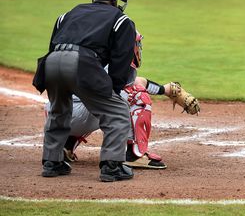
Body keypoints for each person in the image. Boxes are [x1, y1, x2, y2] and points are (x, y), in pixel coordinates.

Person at [33, 0, 136, 182]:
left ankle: (52, 162)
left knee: (58, 109)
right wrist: (112, 90)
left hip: (51, 62)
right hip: (82, 62)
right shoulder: (121, 20)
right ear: (115, 1)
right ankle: (112, 166)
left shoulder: (67, 15)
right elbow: (121, 59)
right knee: (117, 111)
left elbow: (54, 45)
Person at [52, 32, 200, 170]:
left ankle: (67, 144)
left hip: (60, 115)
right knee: (135, 96)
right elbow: (135, 85)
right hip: (81, 115)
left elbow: (135, 80)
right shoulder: (120, 63)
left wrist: (164, 89)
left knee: (101, 101)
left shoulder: (95, 56)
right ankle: (134, 154)